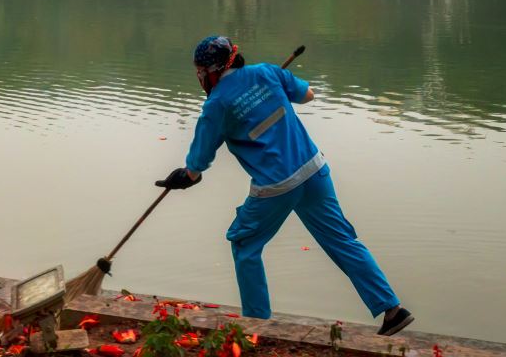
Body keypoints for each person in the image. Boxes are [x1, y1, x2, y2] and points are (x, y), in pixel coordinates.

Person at [156, 35, 413, 336]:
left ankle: (256, 325)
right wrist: (272, 90)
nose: (199, 77)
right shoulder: (266, 71)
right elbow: (309, 95)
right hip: (314, 170)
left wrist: (182, 178)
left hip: (275, 187)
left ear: (210, 71)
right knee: (342, 240)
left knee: (244, 245)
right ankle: (392, 310)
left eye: (200, 72)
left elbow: (196, 168)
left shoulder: (217, 105)